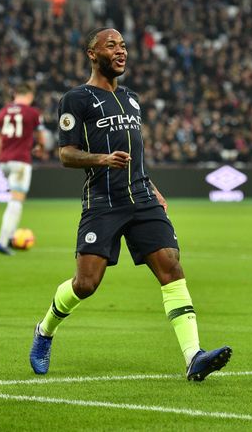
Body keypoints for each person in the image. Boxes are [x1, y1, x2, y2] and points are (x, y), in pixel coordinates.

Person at [29, 27, 232, 381]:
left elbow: (135, 154)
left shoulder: (132, 98)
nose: (121, 51)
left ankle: (193, 356)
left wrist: (151, 186)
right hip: (103, 201)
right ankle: (45, 331)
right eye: (111, 46)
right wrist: (102, 159)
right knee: (86, 284)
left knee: (171, 267)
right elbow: (66, 154)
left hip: (141, 197)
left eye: (123, 45)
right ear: (92, 54)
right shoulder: (75, 99)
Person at [0, 82, 46, 255]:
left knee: (14, 198)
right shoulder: (33, 113)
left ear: (15, 95)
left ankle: (10, 237)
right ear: (29, 96)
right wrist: (40, 149)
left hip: (4, 161)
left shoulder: (3, 111)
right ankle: (2, 242)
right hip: (21, 161)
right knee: (16, 200)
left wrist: (1, 156)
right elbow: (41, 137)